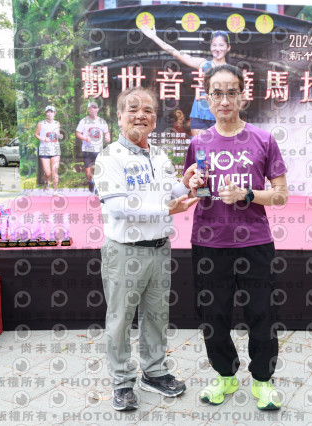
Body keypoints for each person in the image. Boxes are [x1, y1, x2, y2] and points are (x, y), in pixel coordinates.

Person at [184, 64, 289, 410]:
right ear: (207, 98)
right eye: (217, 93)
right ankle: (225, 375)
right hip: (209, 242)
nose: (225, 100)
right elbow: (193, 188)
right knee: (213, 315)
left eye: (232, 92)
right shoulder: (198, 142)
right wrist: (192, 183)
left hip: (255, 242)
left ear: (242, 96)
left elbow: (281, 195)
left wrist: (247, 194)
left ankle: (262, 380)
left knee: (262, 313)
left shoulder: (263, 139)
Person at [94, 87, 199, 411]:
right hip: (124, 251)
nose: (141, 115)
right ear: (119, 116)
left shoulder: (160, 156)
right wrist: (167, 209)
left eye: (148, 110)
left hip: (159, 249)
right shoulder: (109, 157)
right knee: (120, 320)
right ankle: (122, 382)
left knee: (156, 315)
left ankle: (154, 372)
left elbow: (169, 193)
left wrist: (185, 183)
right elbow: (120, 208)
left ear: (155, 118)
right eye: (133, 109)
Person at [141, 25, 242, 137]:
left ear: (228, 47)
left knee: (219, 147)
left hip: (221, 116)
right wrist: (154, 37)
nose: (217, 48)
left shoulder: (232, 71)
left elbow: (241, 96)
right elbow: (176, 53)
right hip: (199, 115)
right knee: (200, 147)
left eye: (221, 45)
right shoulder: (203, 64)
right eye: (214, 45)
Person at [76, 101, 110, 192]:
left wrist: (107, 137)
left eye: (95, 108)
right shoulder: (83, 121)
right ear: (88, 109)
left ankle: (97, 187)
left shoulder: (102, 121)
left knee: (99, 169)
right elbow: (78, 133)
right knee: (88, 172)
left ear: (97, 109)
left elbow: (106, 132)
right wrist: (85, 138)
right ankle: (91, 181)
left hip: (98, 149)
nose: (93, 110)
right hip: (87, 149)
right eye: (91, 108)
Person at [34, 105, 62, 191]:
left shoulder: (57, 123)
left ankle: (55, 191)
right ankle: (47, 183)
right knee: (48, 173)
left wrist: (60, 135)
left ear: (54, 113)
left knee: (55, 172)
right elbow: (36, 134)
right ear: (46, 113)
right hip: (44, 150)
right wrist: (43, 139)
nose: (49, 114)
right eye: (48, 112)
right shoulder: (41, 123)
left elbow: (58, 134)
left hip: (55, 150)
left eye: (51, 112)